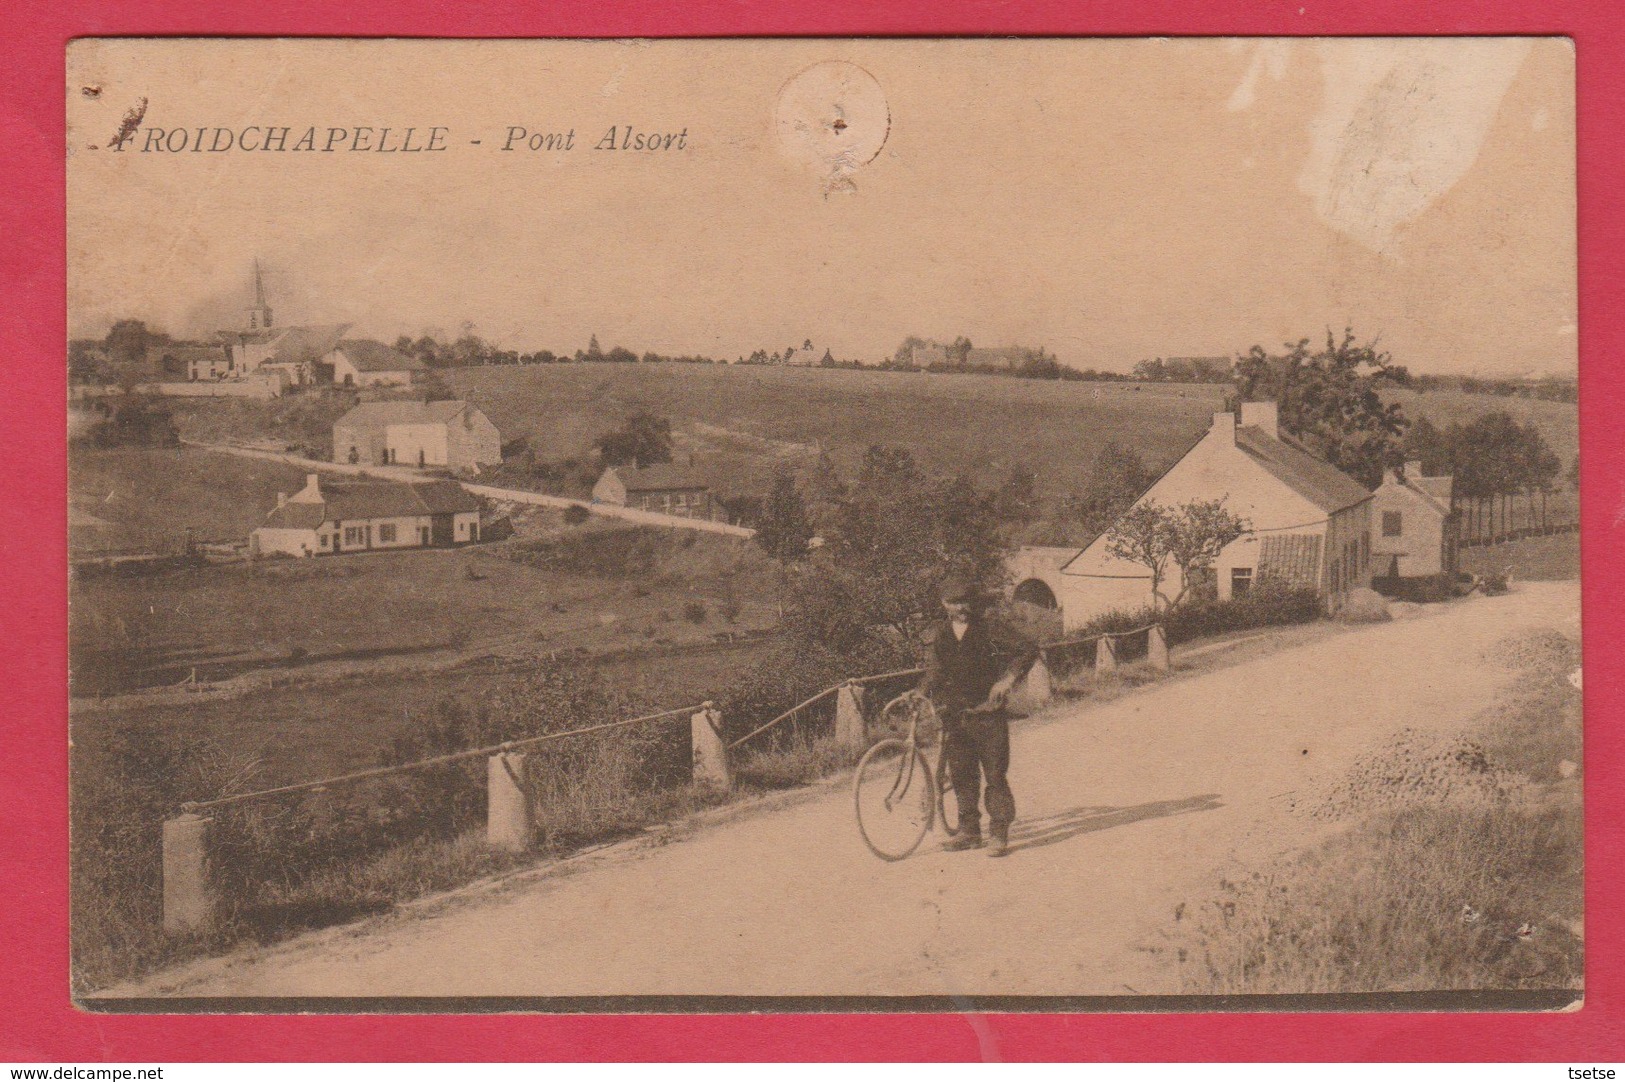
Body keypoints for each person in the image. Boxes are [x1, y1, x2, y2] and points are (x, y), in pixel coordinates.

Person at [920, 574, 1039, 858]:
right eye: (953, 602)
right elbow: (934, 672)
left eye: (964, 602)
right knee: (962, 774)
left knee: (995, 775)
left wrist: (1007, 680)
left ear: (972, 603)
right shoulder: (939, 634)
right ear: (943, 603)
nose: (960, 608)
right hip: (954, 715)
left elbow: (1028, 649)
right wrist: (919, 692)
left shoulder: (990, 628)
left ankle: (998, 833)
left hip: (987, 713)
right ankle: (969, 831)